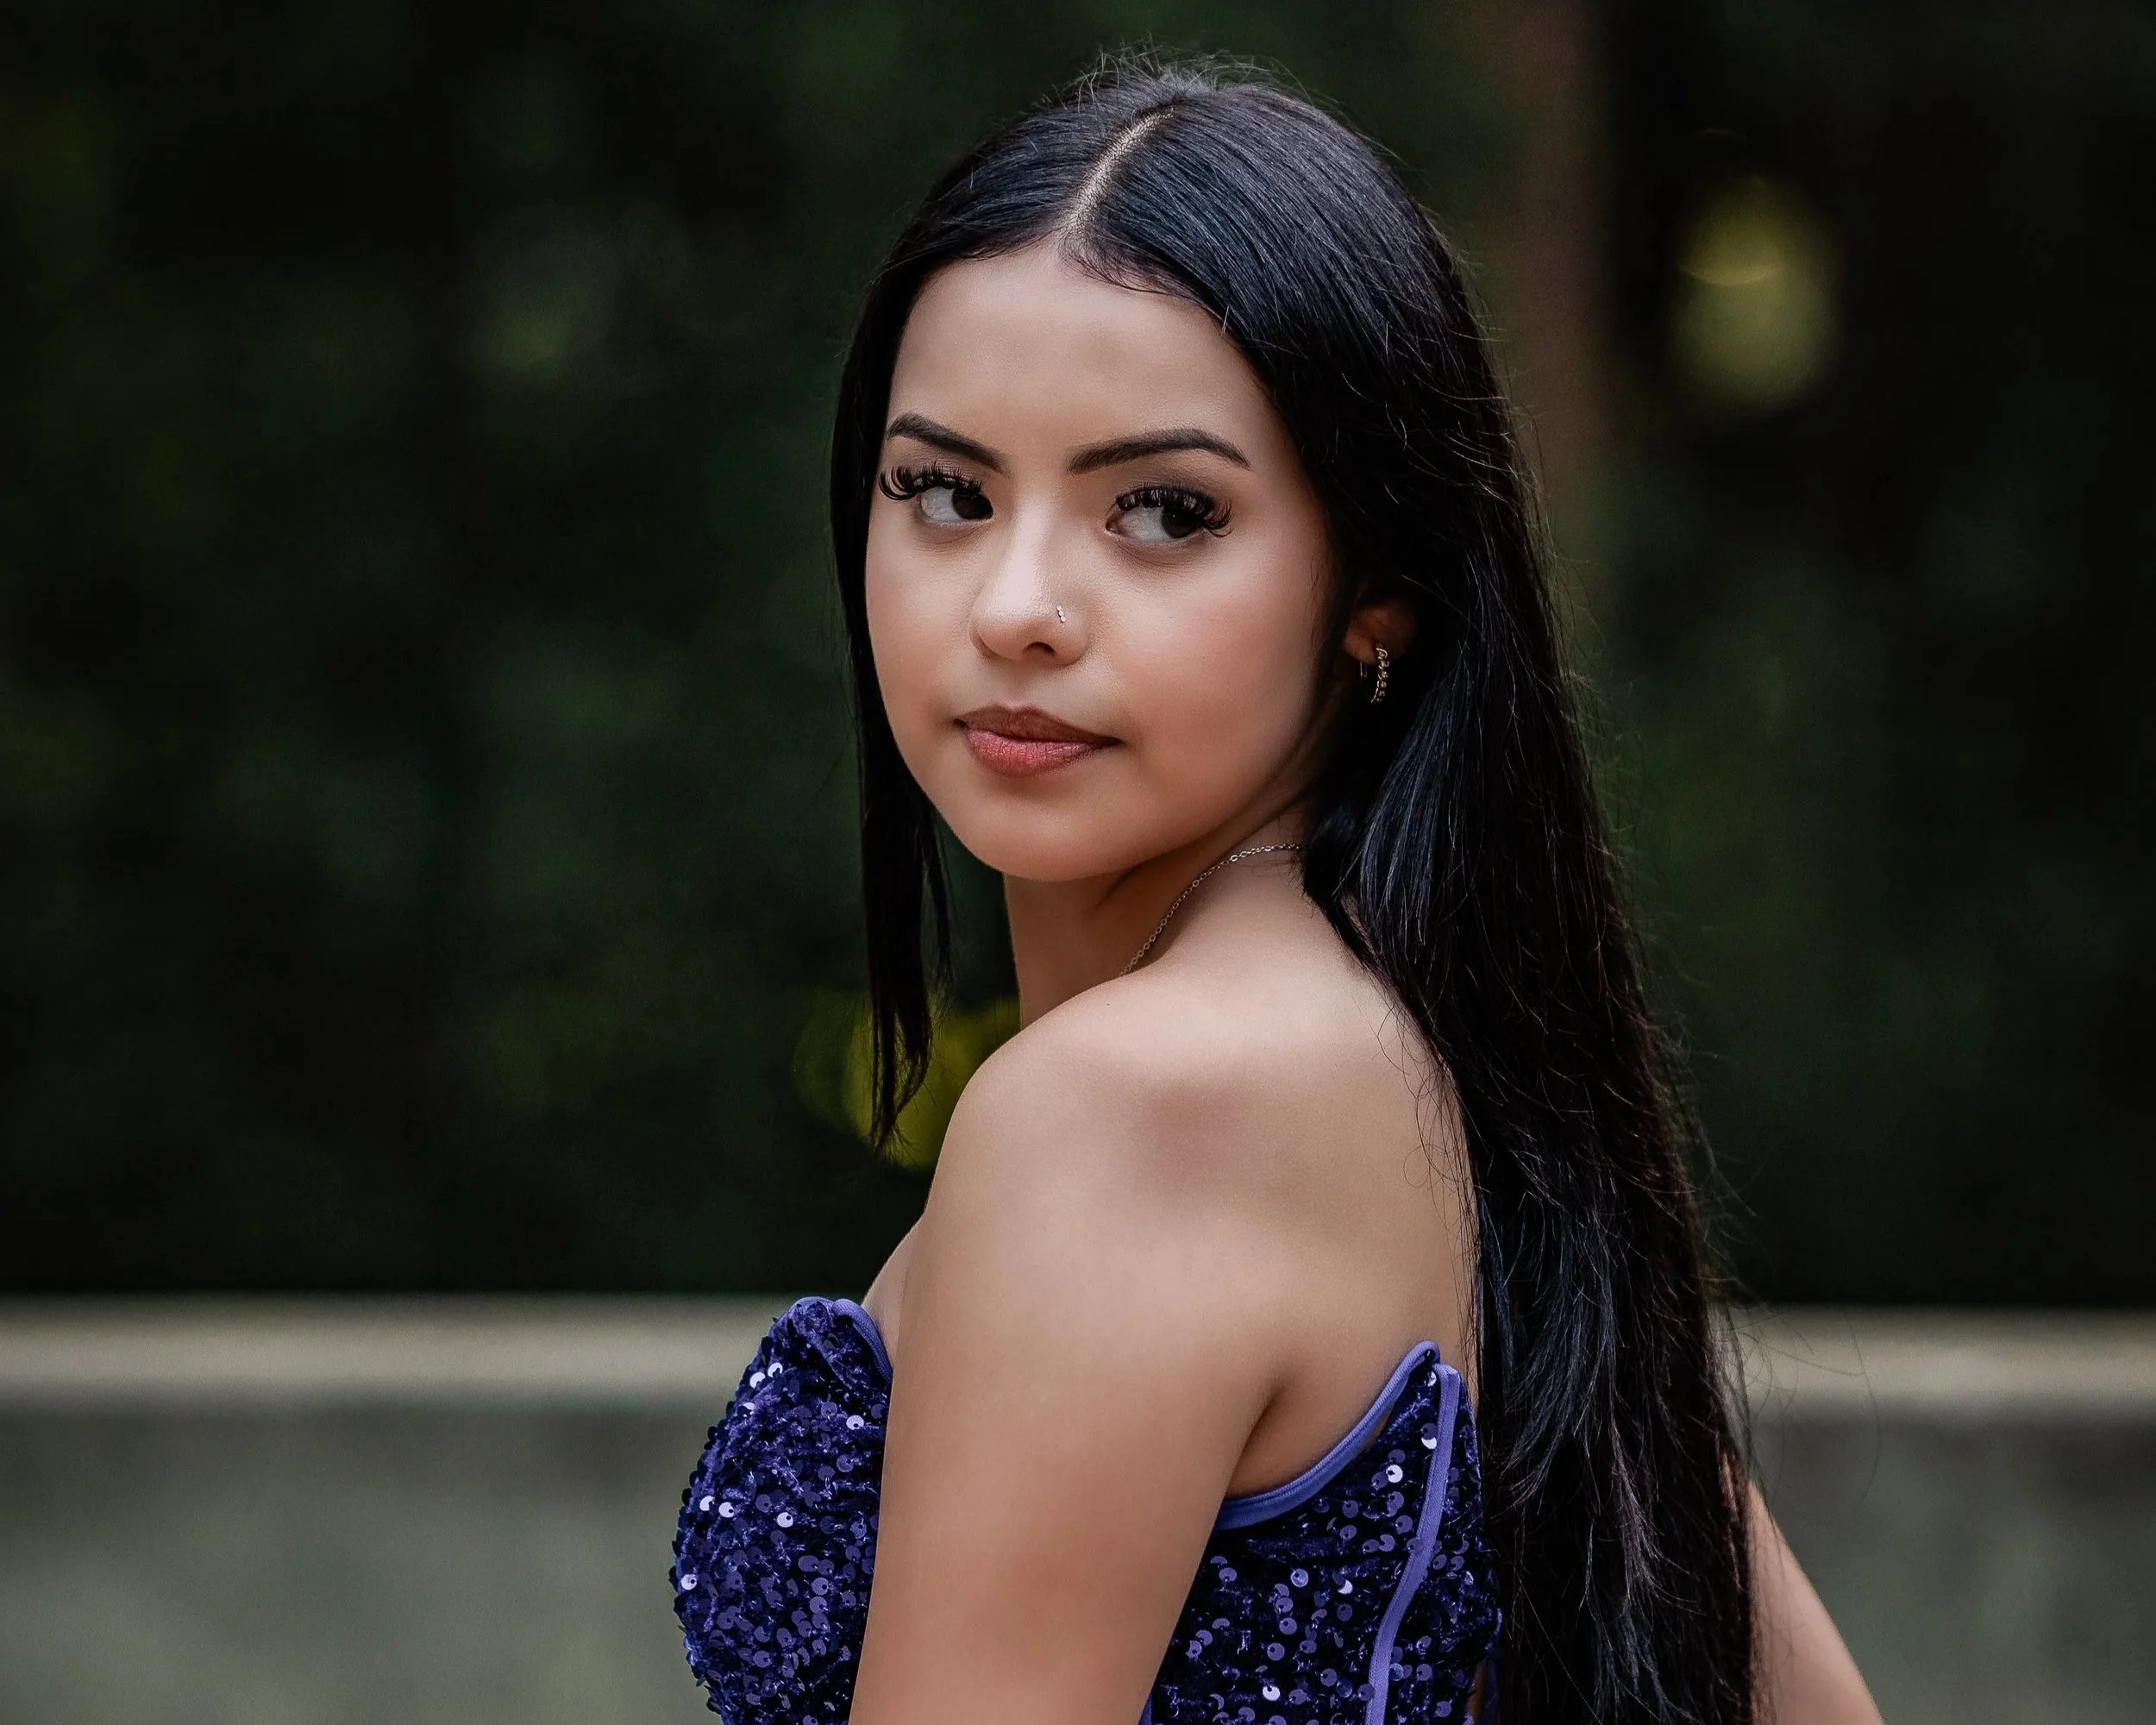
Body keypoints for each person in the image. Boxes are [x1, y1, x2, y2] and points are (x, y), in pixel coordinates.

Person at [673, 60, 1881, 1725]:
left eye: (1162, 512)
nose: (1018, 603)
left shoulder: (1135, 1108)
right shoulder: (1437, 1051)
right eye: (945, 492)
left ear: (1378, 582)